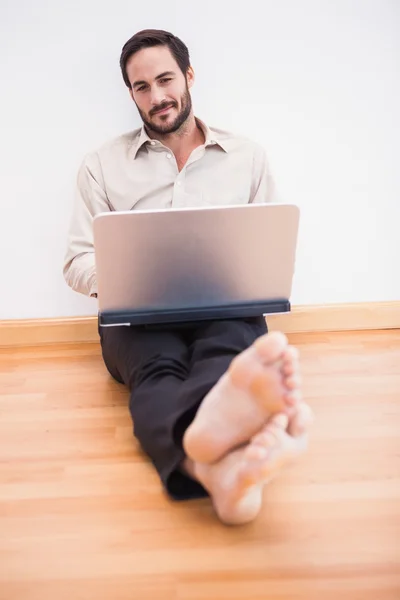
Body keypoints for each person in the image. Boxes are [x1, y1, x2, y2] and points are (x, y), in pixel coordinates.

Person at [64, 29, 313, 525]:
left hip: (226, 307)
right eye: (141, 87)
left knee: (224, 353)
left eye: (165, 80)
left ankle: (208, 467)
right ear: (130, 93)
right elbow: (76, 262)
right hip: (134, 316)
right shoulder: (100, 165)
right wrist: (123, 278)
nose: (156, 97)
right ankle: (221, 452)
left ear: (189, 76)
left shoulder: (247, 156)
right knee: (156, 369)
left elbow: (269, 244)